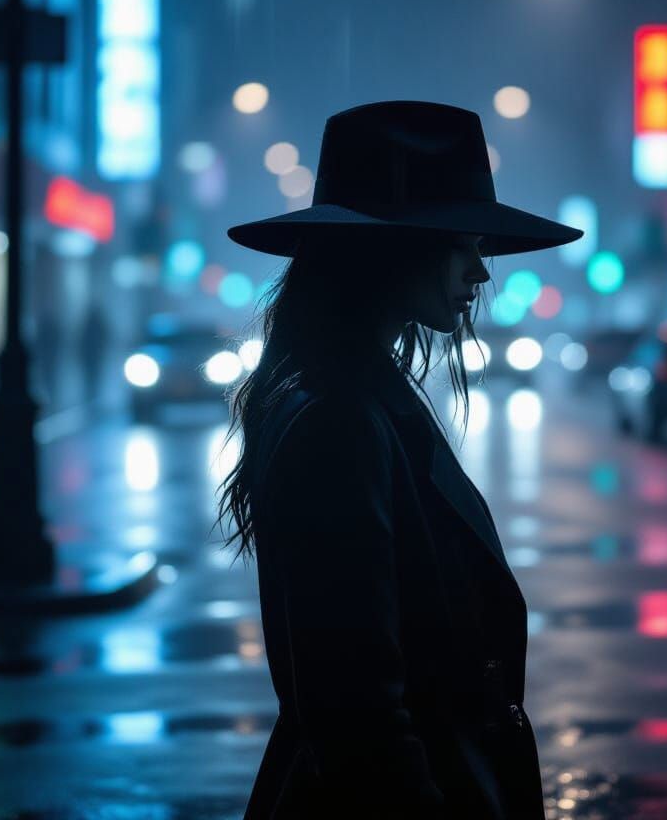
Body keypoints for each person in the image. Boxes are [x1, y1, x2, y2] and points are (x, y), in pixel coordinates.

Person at [216, 101, 584, 819]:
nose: (481, 270)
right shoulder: (342, 421)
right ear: (391, 249)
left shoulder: (352, 397)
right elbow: (358, 712)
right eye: (462, 241)